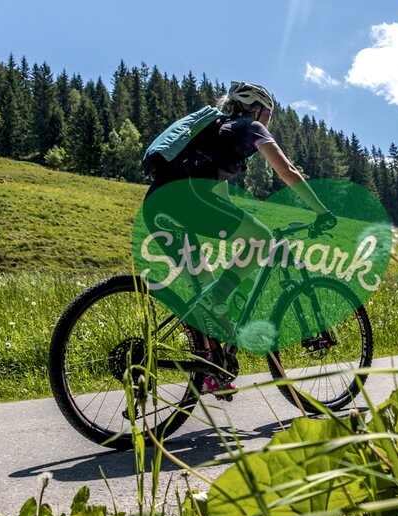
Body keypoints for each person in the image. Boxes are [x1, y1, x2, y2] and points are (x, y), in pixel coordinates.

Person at [141, 81, 336, 391]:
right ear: (258, 109)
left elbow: (222, 203)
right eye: (268, 115)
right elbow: (288, 171)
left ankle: (210, 371)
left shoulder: (213, 135)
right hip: (185, 200)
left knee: (205, 292)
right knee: (259, 241)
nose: (267, 122)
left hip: (157, 205)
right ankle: (217, 303)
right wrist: (322, 212)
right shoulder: (249, 126)